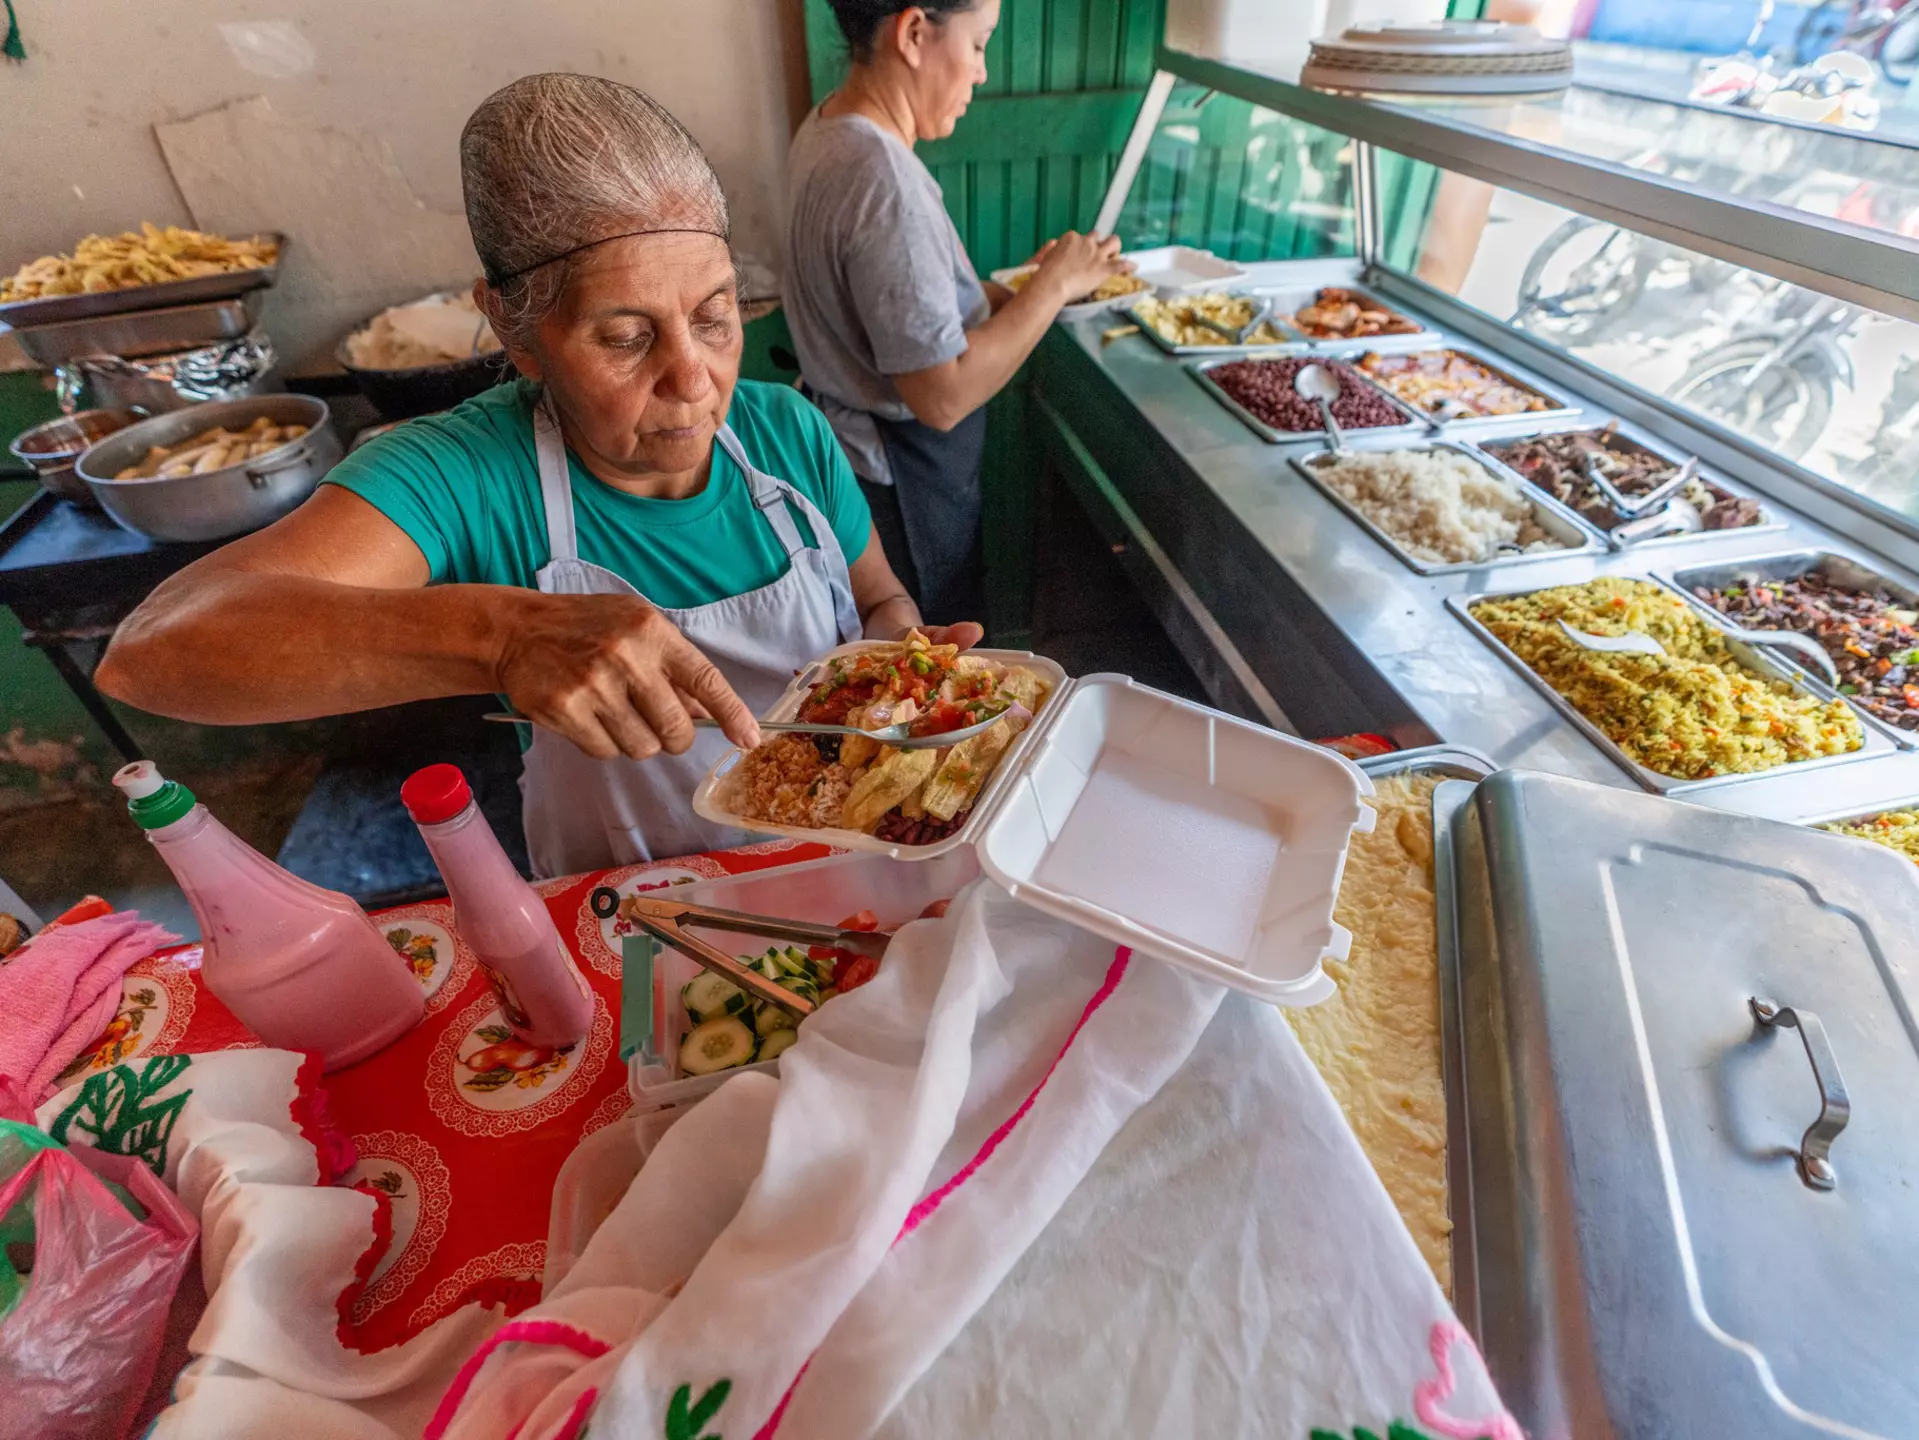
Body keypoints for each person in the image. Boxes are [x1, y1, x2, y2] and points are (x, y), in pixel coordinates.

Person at [95, 74, 976, 878]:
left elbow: (880, 606)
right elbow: (151, 654)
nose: (694, 378)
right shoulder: (468, 473)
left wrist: (901, 669)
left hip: (849, 865)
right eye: (626, 338)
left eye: (714, 317)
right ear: (515, 334)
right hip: (635, 924)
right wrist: (505, 639)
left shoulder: (788, 432)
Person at [783, 0, 1130, 624]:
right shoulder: (883, 179)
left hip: (856, 462)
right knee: (934, 672)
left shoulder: (828, 125)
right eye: (978, 44)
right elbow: (940, 395)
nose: (983, 72)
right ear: (914, 33)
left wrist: (1030, 286)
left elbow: (905, 313)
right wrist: (1049, 289)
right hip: (895, 485)